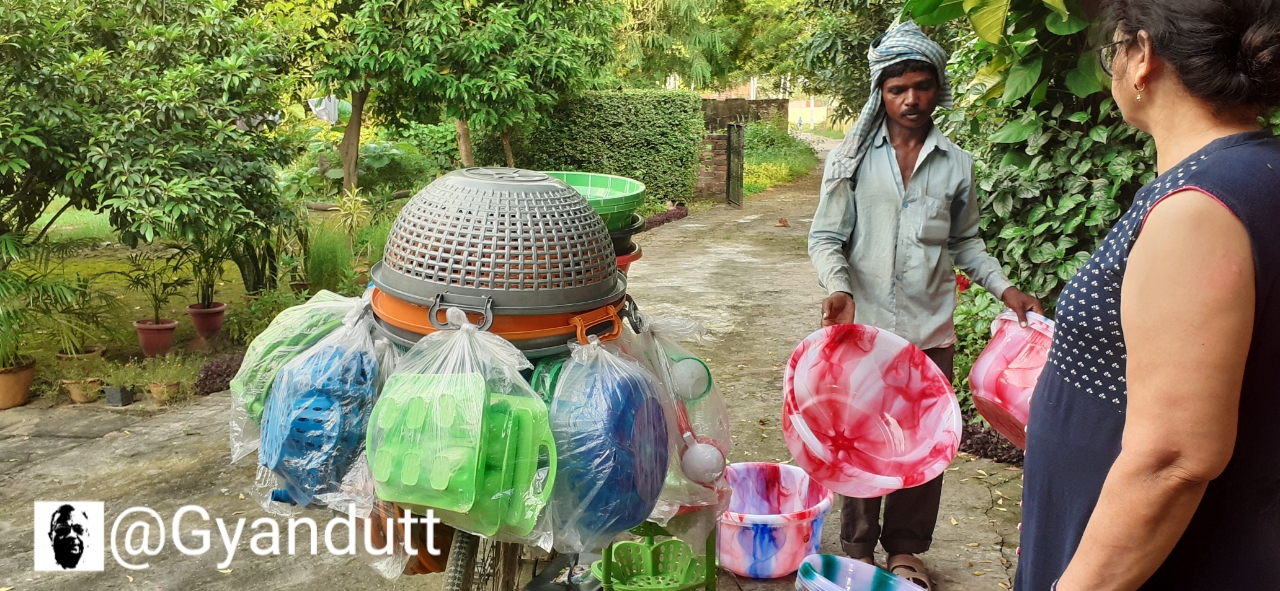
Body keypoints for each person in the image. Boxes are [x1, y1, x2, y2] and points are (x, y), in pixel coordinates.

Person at [1014, 1, 1280, 590]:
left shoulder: (1198, 209)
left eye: (1114, 48)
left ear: (1142, 56)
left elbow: (1173, 459)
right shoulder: (1253, 175)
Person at [807, 21, 1042, 590]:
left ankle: (907, 548)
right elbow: (826, 237)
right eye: (897, 89)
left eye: (921, 86)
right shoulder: (851, 160)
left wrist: (1005, 289)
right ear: (880, 94)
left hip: (930, 334)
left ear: (938, 88)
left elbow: (966, 242)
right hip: (862, 332)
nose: (910, 99)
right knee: (859, 439)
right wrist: (839, 288)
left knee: (923, 444)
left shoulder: (957, 165)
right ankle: (857, 546)